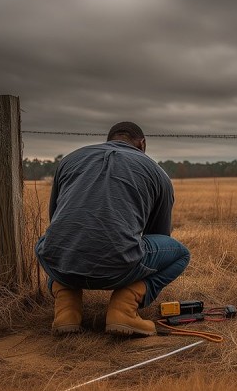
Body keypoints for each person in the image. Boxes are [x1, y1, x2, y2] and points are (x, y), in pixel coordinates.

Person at [35, 121, 189, 337]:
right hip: (119, 267)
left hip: (63, 265)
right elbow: (159, 236)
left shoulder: (69, 160)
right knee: (180, 254)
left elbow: (57, 220)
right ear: (142, 144)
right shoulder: (157, 173)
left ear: (109, 140)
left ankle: (66, 311)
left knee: (53, 243)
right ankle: (124, 309)